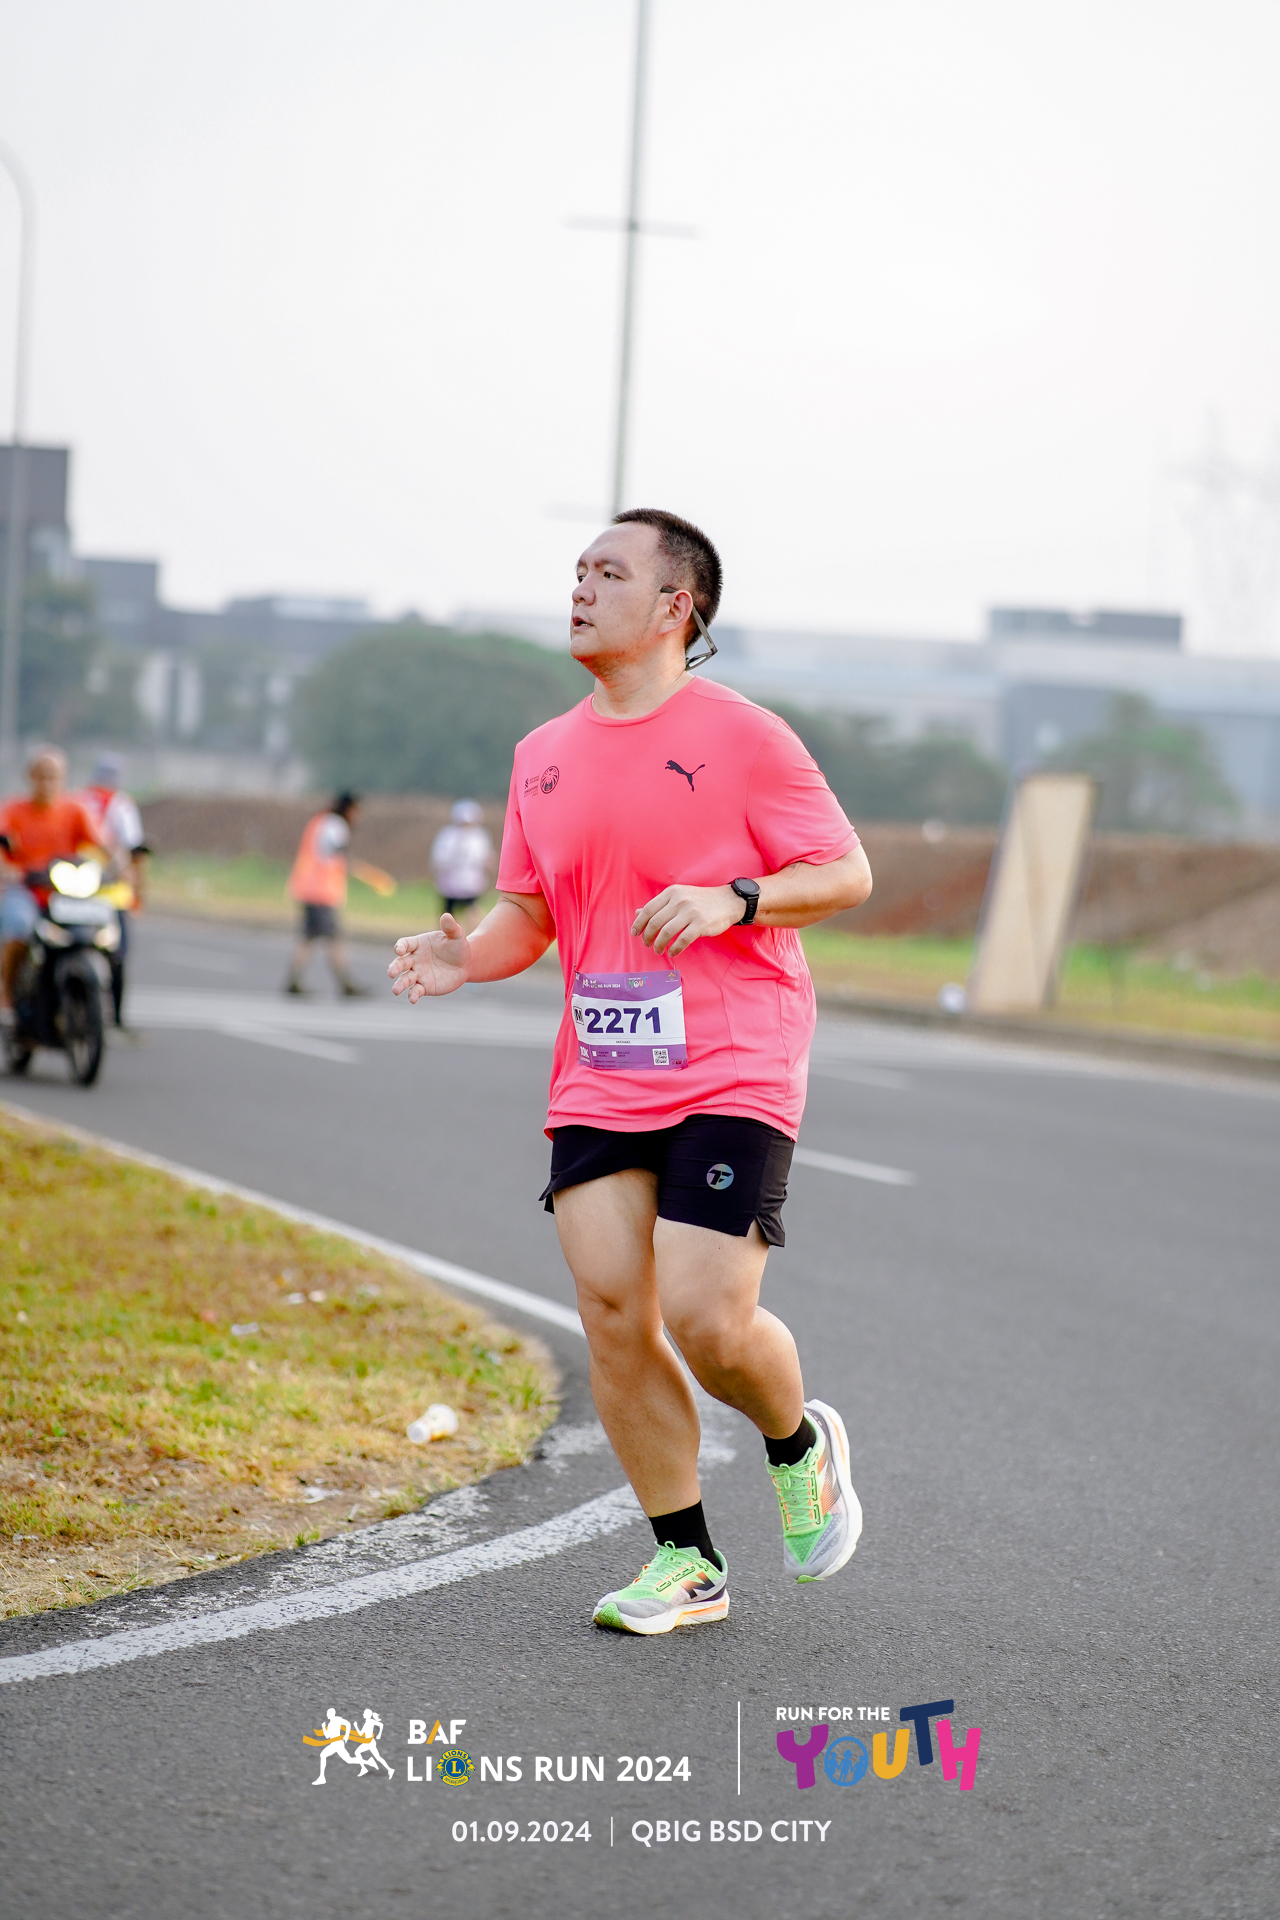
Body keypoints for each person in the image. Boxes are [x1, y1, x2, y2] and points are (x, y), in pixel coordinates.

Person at [389, 508, 874, 1635]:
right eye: (577, 570)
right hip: (604, 1066)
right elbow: (529, 913)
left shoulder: (746, 736)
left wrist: (733, 898)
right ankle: (685, 1563)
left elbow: (844, 872)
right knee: (612, 1310)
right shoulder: (541, 755)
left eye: (609, 573)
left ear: (674, 607)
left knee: (707, 1318)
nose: (580, 588)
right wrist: (466, 955)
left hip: (733, 1059)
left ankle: (797, 1443)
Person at [1, 747, 107, 1015]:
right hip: (27, 889)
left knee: (104, 930)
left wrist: (120, 865)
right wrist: (8, 869)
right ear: (30, 777)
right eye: (42, 775)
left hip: (66, 890)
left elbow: (104, 846)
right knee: (19, 929)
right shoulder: (14, 810)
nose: (47, 782)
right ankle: (7, 994)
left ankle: (109, 1007)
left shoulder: (75, 810)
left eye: (53, 776)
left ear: (64, 778)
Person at [284, 792, 393, 997]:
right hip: (320, 892)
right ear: (349, 809)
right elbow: (334, 849)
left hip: (308, 888)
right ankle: (345, 983)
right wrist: (360, 868)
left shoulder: (319, 821)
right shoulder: (335, 824)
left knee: (308, 937)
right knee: (333, 938)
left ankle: (293, 980)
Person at [76, 752, 147, 1028]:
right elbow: (134, 851)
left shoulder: (80, 800)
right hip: (103, 890)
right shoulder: (119, 805)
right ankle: (116, 1018)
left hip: (81, 887)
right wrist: (138, 888)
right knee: (116, 953)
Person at [430, 799, 495, 932]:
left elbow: (487, 857)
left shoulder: (479, 836)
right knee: (448, 914)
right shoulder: (447, 835)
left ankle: (473, 937)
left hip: (472, 882)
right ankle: (444, 937)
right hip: (450, 883)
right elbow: (439, 858)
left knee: (473, 911)